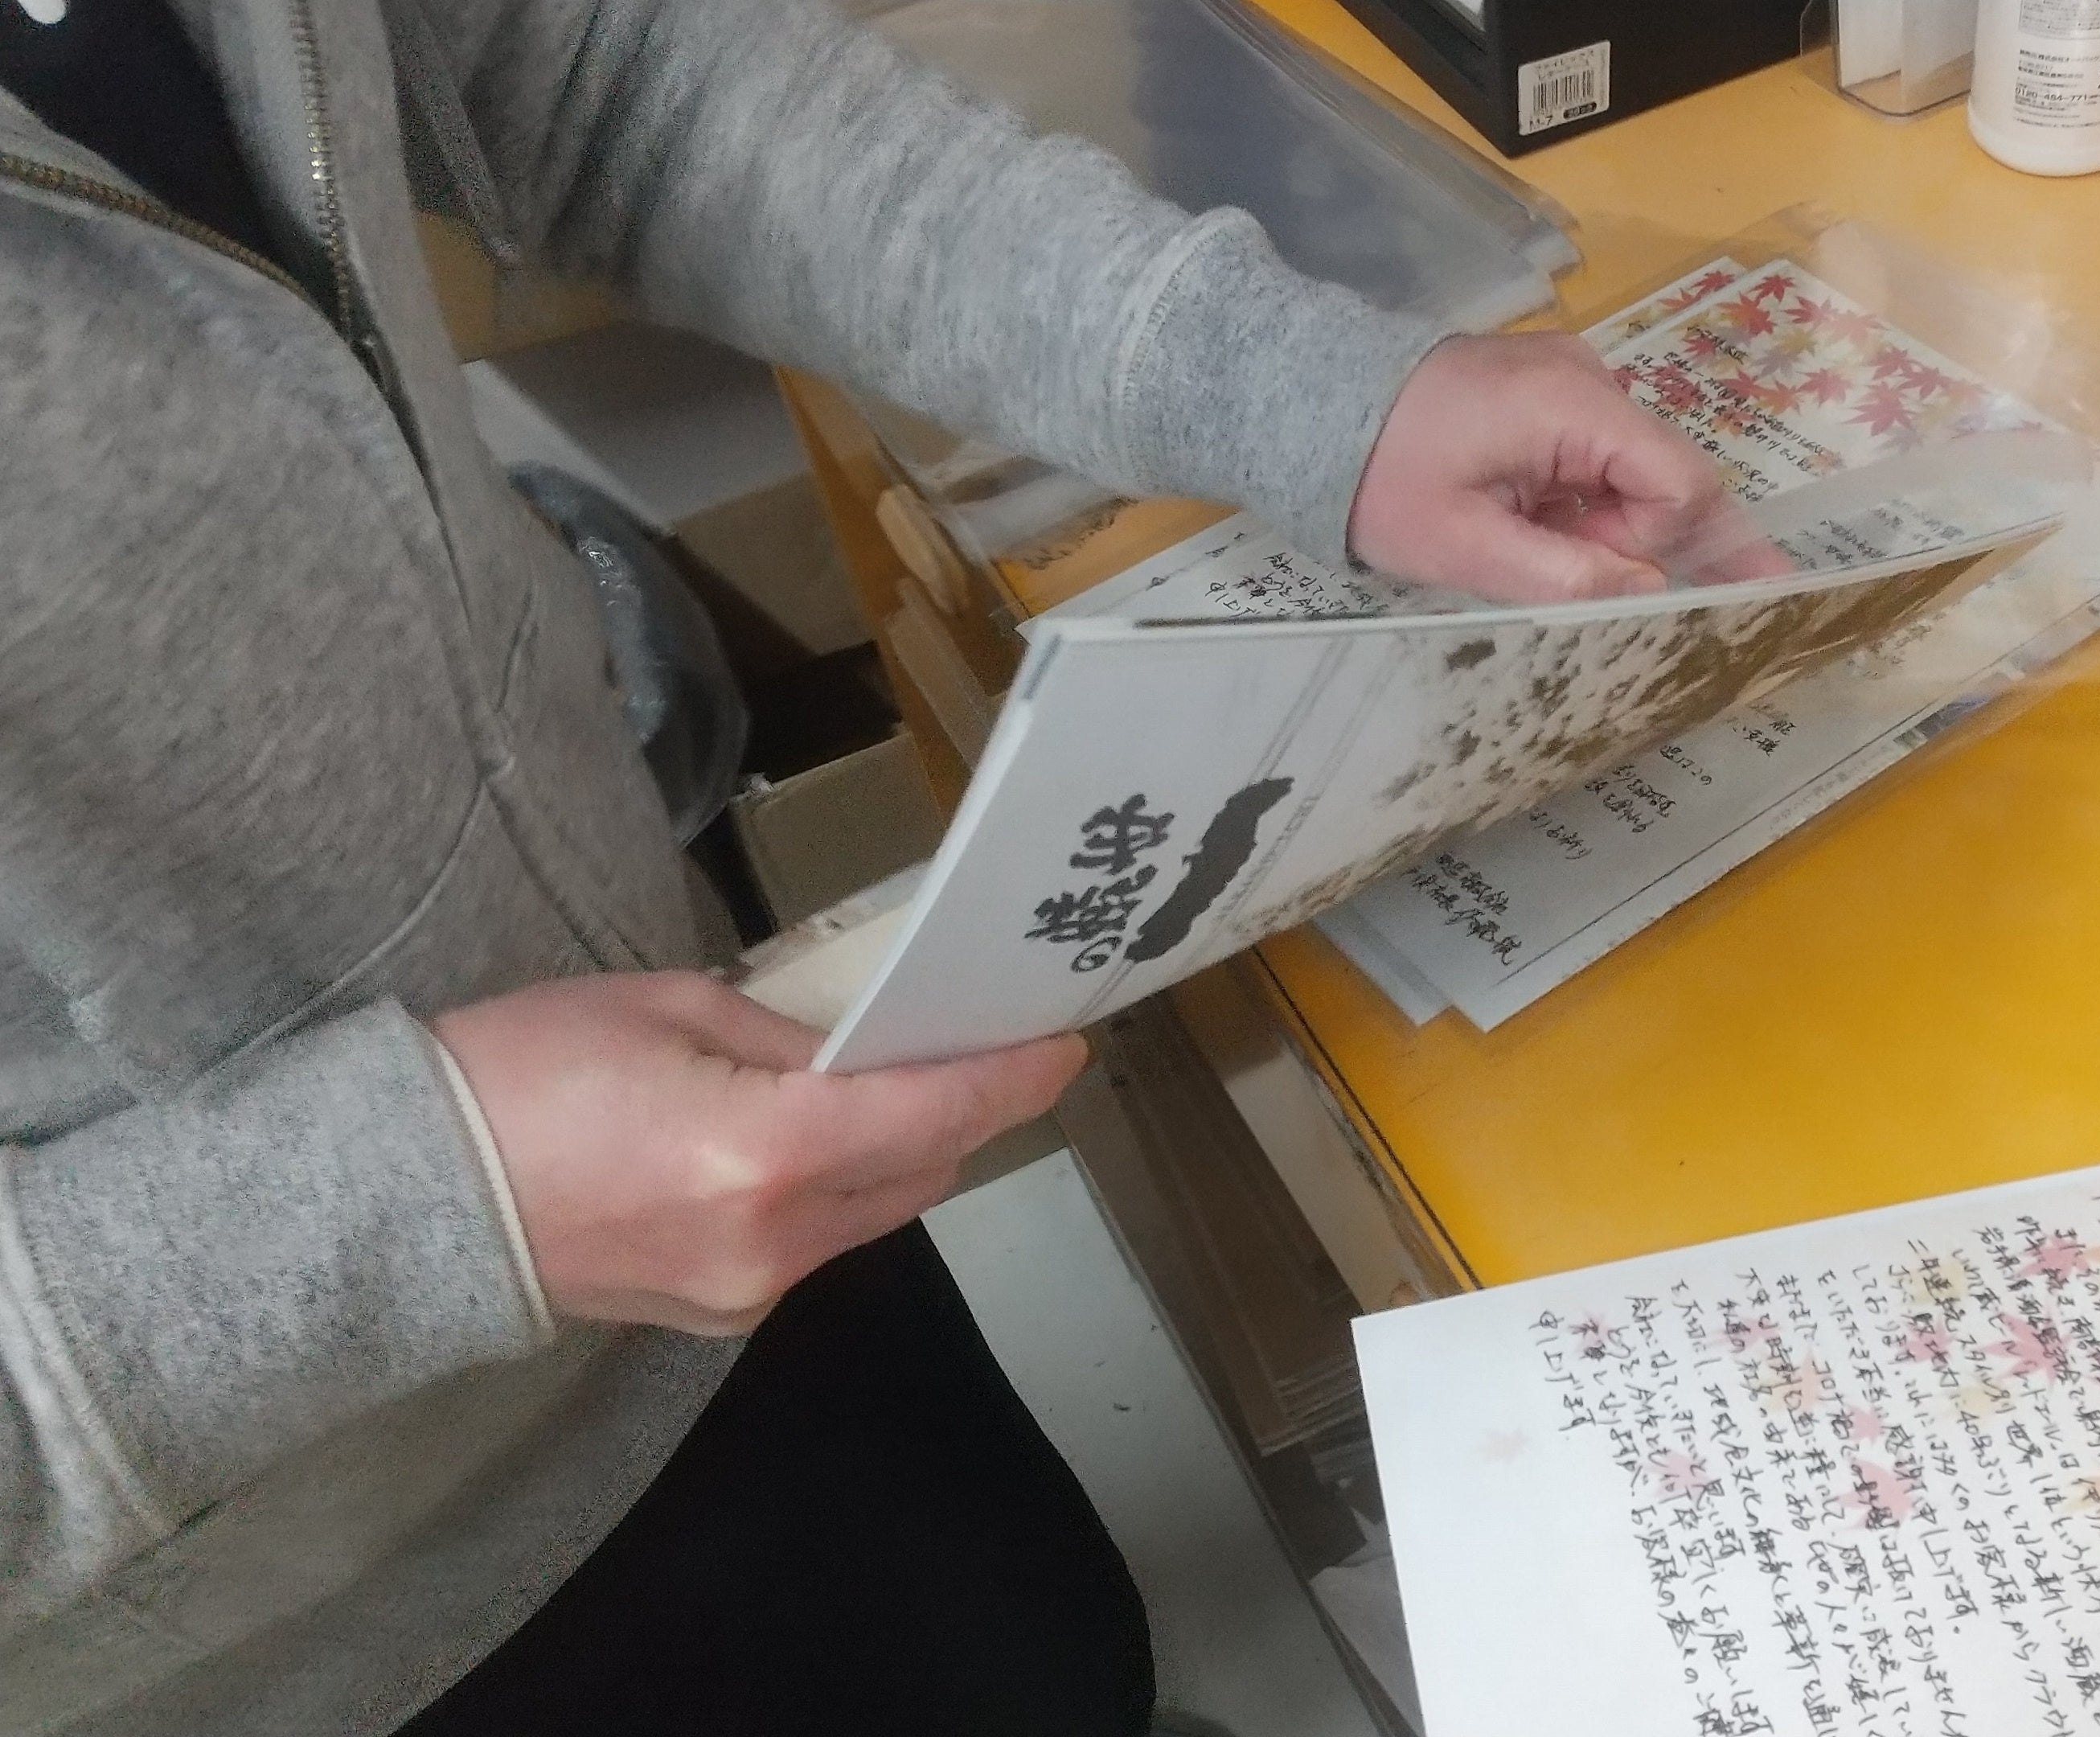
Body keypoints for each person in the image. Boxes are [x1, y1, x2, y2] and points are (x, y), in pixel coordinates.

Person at [0, 0, 1727, 1730]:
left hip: (724, 1148)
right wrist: (438, 1207)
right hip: (296, 1611)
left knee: (1044, 1658)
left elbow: (583, 73)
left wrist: (1311, 394)